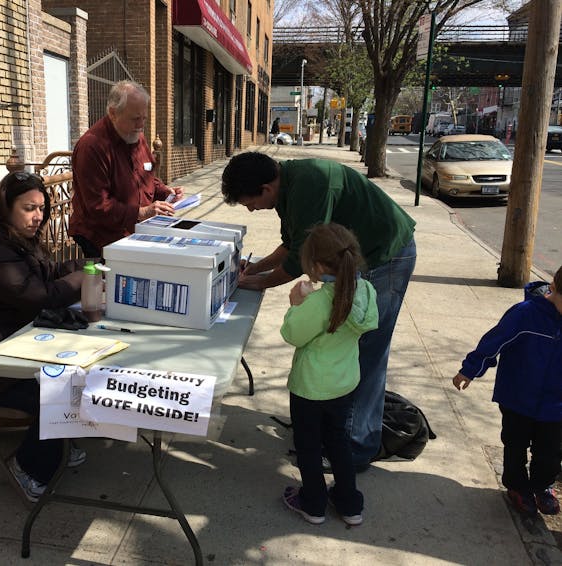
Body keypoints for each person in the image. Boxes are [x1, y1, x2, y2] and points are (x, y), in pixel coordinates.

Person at [221, 152, 416, 470]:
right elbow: (292, 244)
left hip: (386, 256)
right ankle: (338, 431)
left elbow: (300, 258)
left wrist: (261, 284)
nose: (251, 209)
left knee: (364, 352)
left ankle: (355, 449)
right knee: (344, 346)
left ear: (266, 188)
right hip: (356, 258)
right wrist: (256, 269)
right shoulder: (289, 186)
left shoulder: (309, 185)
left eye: (249, 202)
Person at [0, 170, 89, 502]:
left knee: (79, 377)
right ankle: (29, 468)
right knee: (63, 393)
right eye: (28, 208)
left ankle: (59, 441)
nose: (38, 216)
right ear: (6, 207)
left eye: (41, 208)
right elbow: (38, 296)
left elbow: (47, 273)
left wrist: (90, 264)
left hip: (12, 347)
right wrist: (81, 279)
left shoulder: (12, 239)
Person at [281, 223, 378, 526]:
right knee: (338, 443)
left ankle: (313, 503)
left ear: (319, 266)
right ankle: (350, 505)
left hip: (309, 387)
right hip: (344, 384)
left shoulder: (321, 301)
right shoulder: (366, 290)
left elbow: (292, 334)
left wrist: (297, 304)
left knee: (309, 446)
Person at [453, 266, 562, 516]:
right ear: (554, 287)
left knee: (549, 453)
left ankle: (542, 485)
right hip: (517, 396)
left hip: (555, 404)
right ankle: (517, 486)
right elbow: (494, 342)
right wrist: (470, 370)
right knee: (515, 444)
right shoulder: (525, 314)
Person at [69, 80, 182, 258]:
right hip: (100, 237)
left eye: (144, 118)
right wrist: (142, 212)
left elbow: (146, 177)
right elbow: (98, 206)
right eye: (135, 118)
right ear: (113, 113)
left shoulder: (136, 136)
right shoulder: (92, 147)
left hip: (133, 231)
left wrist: (164, 191)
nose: (141, 125)